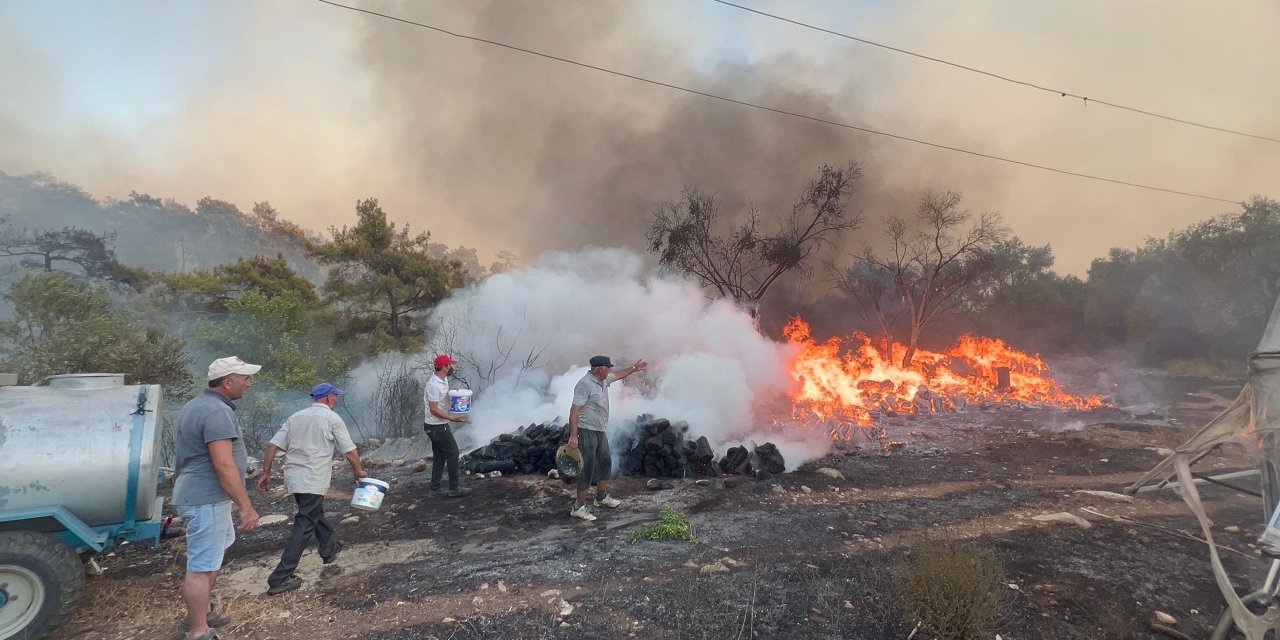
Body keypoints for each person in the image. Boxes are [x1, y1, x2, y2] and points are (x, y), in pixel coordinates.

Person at [172, 357, 262, 640]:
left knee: (210, 559)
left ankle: (200, 616)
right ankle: (199, 632)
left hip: (203, 497)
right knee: (201, 566)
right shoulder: (216, 412)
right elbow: (223, 464)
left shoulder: (196, 405)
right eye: (245, 378)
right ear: (227, 382)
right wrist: (246, 507)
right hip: (205, 499)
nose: (249, 383)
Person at [256, 382, 367, 596]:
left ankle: (329, 548)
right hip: (313, 478)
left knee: (313, 512)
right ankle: (280, 577)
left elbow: (272, 446)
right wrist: (358, 472)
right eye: (335, 396)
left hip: (295, 478)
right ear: (327, 398)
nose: (337, 399)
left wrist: (266, 472)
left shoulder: (296, 417)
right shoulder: (332, 418)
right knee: (306, 522)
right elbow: (350, 451)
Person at [567, 354, 647, 522]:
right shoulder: (584, 384)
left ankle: (601, 497)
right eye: (608, 367)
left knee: (605, 462)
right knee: (587, 468)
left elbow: (618, 375)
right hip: (586, 430)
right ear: (601, 369)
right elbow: (574, 410)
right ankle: (578, 507)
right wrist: (574, 435)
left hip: (599, 430)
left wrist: (633, 368)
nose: (610, 370)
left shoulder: (603, 380)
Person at [424, 354, 470, 497]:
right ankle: (454, 488)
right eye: (449, 365)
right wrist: (452, 418)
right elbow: (433, 408)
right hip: (436, 427)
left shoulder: (443, 381)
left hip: (439, 425)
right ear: (443, 367)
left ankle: (435, 488)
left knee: (439, 456)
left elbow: (443, 401)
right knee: (453, 452)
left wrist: (454, 396)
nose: (451, 367)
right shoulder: (434, 385)